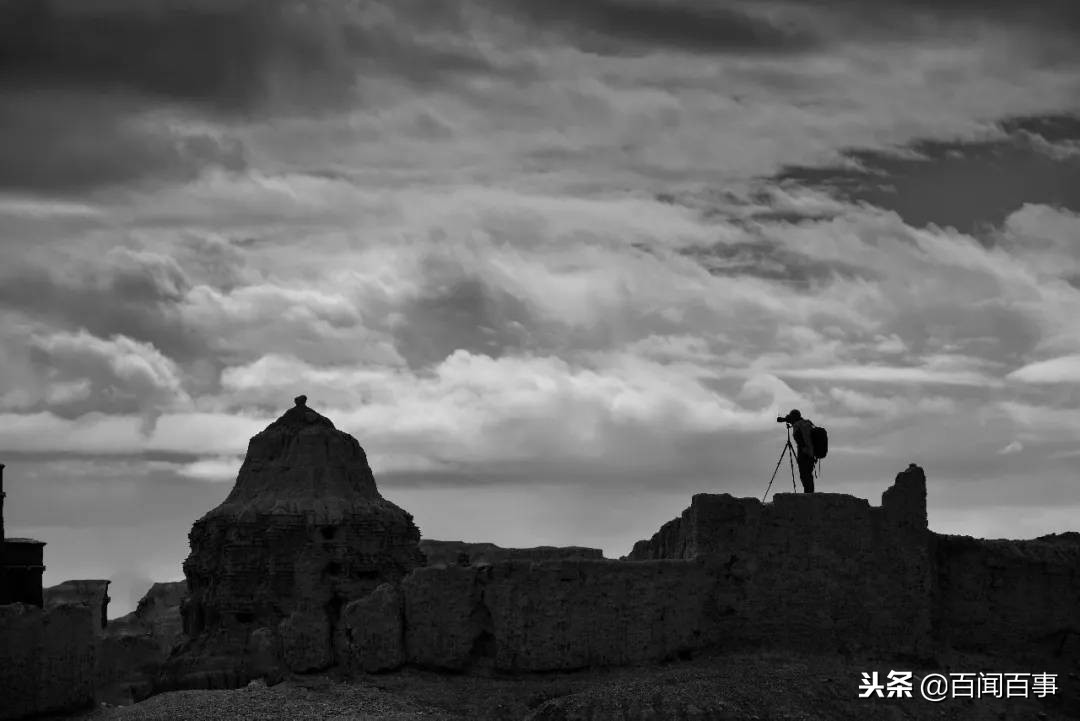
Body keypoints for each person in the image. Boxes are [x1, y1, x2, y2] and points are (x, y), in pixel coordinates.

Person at [781, 409, 816, 493]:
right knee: (808, 474)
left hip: (803, 453)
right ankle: (810, 493)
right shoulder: (806, 423)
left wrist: (804, 449)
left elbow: (798, 439)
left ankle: (808, 494)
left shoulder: (797, 425)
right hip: (811, 453)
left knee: (804, 475)